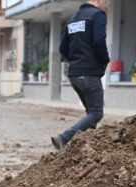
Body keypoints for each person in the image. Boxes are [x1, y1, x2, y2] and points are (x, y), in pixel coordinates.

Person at [52, 0, 110, 149]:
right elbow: (99, 41)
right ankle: (64, 138)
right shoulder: (97, 15)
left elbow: (63, 48)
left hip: (74, 74)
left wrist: (75, 61)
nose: (106, 4)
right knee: (96, 113)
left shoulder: (72, 20)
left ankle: (88, 146)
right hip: (89, 73)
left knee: (90, 113)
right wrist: (104, 60)